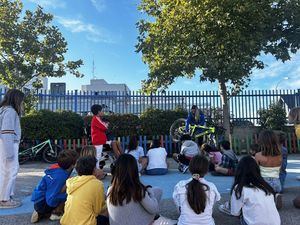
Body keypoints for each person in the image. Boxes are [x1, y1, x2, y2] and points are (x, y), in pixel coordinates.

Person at [107, 154, 162, 225]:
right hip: (137, 220)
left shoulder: (111, 189)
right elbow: (154, 209)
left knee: (156, 191)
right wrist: (149, 190)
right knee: (158, 192)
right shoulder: (137, 189)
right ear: (134, 170)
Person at [229, 156, 280, 225]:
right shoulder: (266, 186)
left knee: (237, 209)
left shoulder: (240, 188)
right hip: (275, 223)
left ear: (239, 171)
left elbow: (235, 213)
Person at [31, 150, 78, 223]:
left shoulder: (56, 168)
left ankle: (40, 212)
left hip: (38, 200)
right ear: (72, 165)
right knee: (71, 192)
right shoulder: (61, 176)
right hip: (43, 204)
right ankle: (55, 213)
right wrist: (68, 196)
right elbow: (51, 200)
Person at [60, 156, 109, 225]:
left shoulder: (72, 181)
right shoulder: (97, 184)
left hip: (67, 222)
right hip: (85, 223)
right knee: (108, 209)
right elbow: (97, 210)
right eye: (96, 167)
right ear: (94, 170)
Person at [173, 155, 220, 225]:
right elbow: (214, 203)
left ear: (190, 169)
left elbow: (178, 206)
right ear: (207, 171)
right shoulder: (211, 187)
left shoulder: (180, 186)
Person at [0, 89, 25, 208]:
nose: (22, 104)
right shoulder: (10, 112)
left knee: (5, 171)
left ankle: (5, 197)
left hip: (4, 144)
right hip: (8, 144)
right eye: (21, 101)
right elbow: (7, 132)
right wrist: (9, 152)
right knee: (10, 171)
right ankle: (4, 199)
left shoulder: (3, 110)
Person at [255, 130, 282, 208]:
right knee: (274, 185)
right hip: (277, 183)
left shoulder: (258, 155)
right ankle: (275, 194)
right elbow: (280, 170)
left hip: (264, 184)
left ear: (261, 142)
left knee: (260, 191)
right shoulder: (280, 155)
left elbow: (256, 172)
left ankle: (267, 198)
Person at [91, 104, 109, 168]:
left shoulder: (97, 118)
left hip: (100, 140)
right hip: (98, 141)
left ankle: (97, 169)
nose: (103, 112)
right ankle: (97, 171)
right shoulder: (96, 119)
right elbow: (104, 127)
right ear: (98, 112)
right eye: (102, 111)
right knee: (97, 157)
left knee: (98, 156)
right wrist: (106, 124)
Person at [288, 107, 300, 208]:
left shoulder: (299, 129)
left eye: (289, 115)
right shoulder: (298, 127)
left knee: (296, 202)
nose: (288, 116)